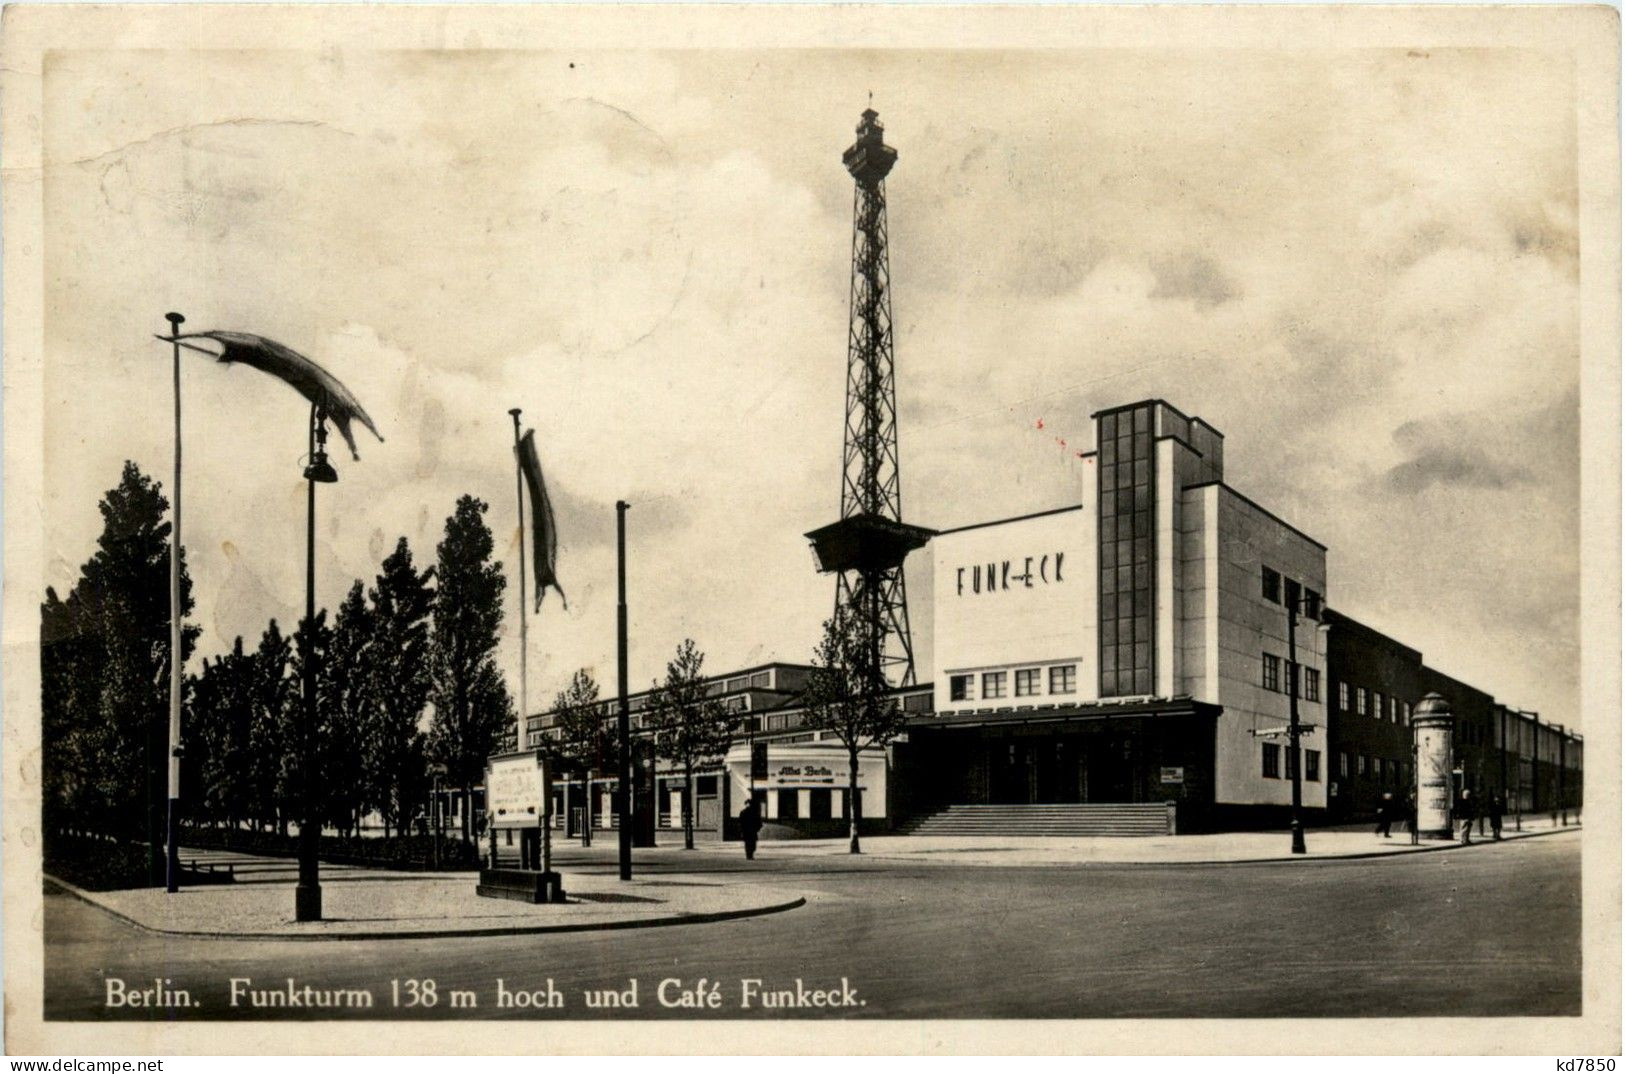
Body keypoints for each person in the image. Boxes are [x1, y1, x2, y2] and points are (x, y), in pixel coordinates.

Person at [739, 797, 762, 861]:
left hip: (752, 831)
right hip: (746, 831)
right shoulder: (743, 812)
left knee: (753, 845)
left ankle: (751, 854)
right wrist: (742, 831)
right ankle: (749, 855)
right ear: (745, 804)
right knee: (748, 844)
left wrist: (757, 828)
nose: (748, 805)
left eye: (749, 803)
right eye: (747, 803)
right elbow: (741, 823)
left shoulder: (754, 812)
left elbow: (758, 821)